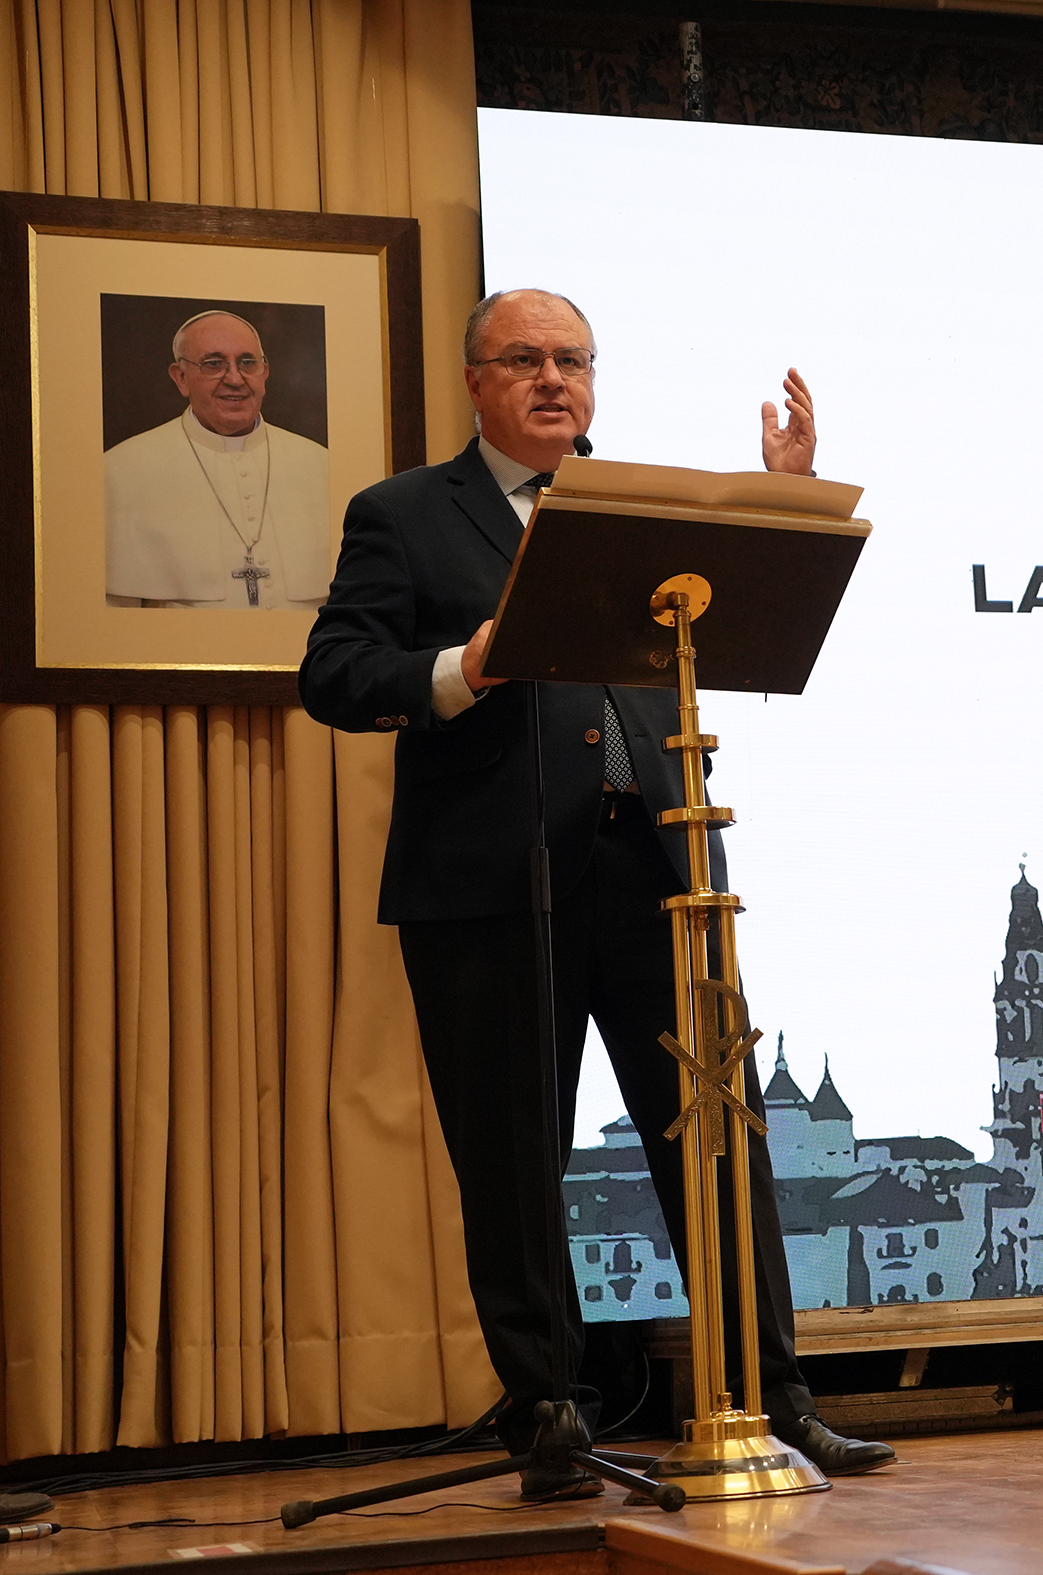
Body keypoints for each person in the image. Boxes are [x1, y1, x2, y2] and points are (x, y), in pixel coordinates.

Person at [299, 288, 892, 1497]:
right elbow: (335, 675)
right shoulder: (403, 514)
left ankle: (774, 1398)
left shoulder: (631, 508)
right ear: (476, 380)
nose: (553, 379)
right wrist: (464, 666)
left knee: (721, 1142)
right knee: (515, 1161)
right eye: (525, 359)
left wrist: (781, 505)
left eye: (572, 359)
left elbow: (739, 618)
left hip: (658, 868)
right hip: (492, 882)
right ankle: (550, 1418)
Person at [105, 309, 334, 608]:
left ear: (264, 373)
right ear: (181, 378)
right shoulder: (120, 471)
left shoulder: (323, 466)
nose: (235, 379)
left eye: (247, 363)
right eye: (213, 364)